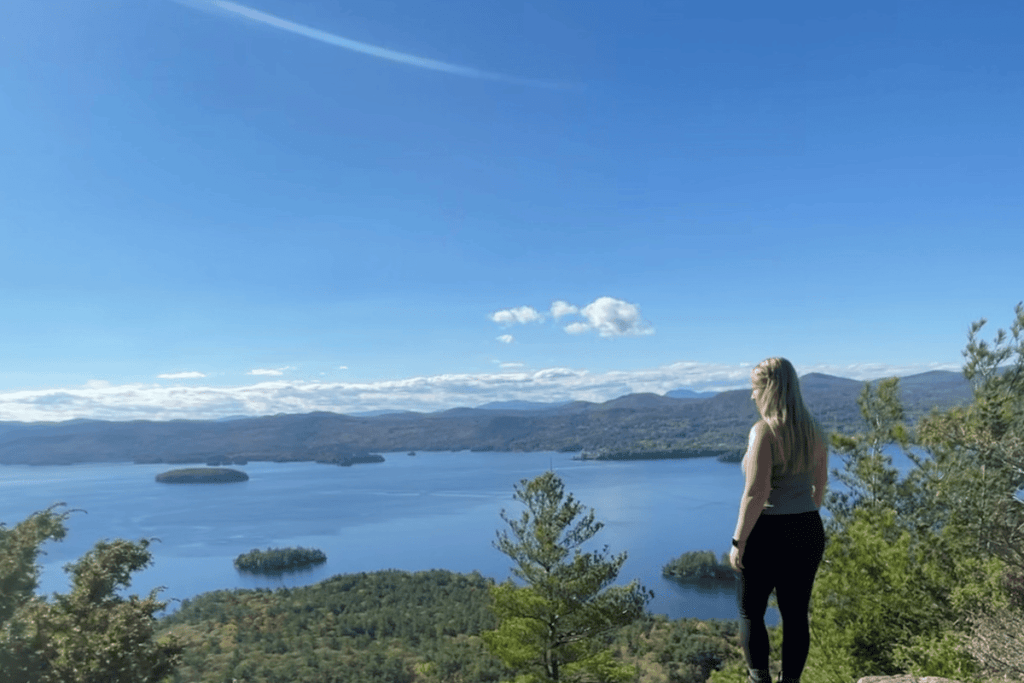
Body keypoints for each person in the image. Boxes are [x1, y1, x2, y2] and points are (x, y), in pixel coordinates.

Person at [729, 357, 828, 683]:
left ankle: (759, 680)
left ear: (767, 389)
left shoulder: (764, 431)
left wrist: (738, 541)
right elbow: (820, 486)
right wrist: (801, 514)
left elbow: (756, 492)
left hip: (767, 532)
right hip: (807, 529)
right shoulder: (814, 430)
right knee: (796, 615)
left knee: (751, 611)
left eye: (754, 388)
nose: (751, 395)